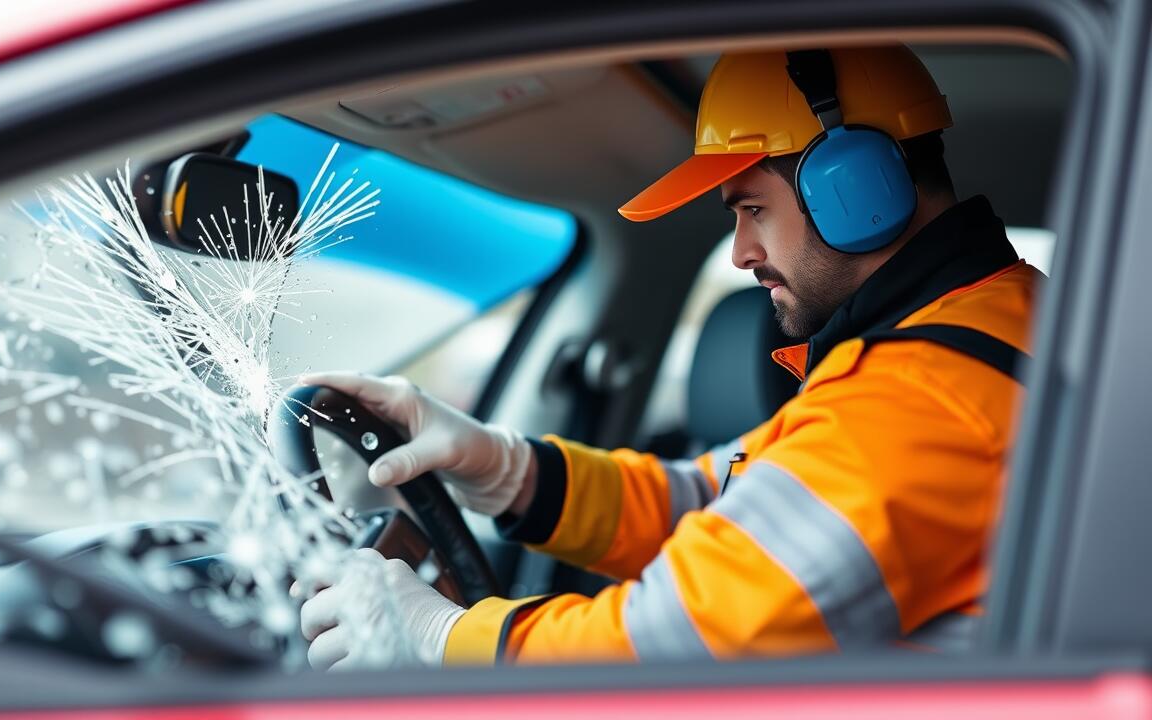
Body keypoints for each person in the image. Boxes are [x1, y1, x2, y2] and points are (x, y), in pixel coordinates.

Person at [297, 45, 1042, 670]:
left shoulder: (924, 396)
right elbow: (710, 499)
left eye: (753, 209)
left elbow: (677, 645)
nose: (742, 252)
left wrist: (441, 641)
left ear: (854, 184)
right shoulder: (973, 333)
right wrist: (507, 469)